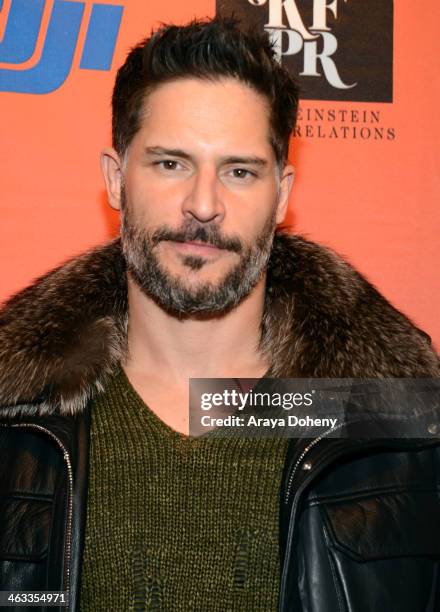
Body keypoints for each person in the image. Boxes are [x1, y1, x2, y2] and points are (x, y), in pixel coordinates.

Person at [0, 17, 439, 612]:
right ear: (114, 180)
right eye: (170, 164)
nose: (203, 205)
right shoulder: (16, 419)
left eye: (239, 171)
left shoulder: (400, 426)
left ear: (281, 195)